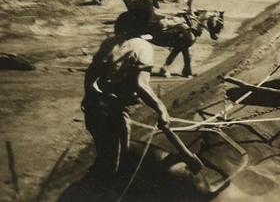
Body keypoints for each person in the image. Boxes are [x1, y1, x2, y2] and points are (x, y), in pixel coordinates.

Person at [82, 18, 202, 183]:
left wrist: (90, 95)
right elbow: (140, 84)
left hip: (92, 109)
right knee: (116, 163)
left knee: (104, 151)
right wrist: (160, 108)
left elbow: (90, 74)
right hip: (112, 111)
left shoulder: (109, 42)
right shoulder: (142, 46)